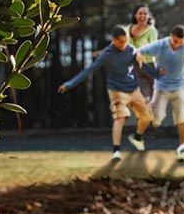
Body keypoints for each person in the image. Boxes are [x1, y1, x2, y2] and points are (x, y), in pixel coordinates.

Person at [59, 26, 153, 162]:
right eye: (120, 42)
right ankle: (116, 151)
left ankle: (137, 137)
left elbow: (137, 60)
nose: (123, 45)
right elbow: (89, 69)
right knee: (120, 118)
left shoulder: (130, 49)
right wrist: (70, 84)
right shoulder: (106, 55)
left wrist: (139, 58)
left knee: (146, 118)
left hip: (132, 88)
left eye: (125, 41)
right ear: (114, 40)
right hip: (116, 90)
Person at [132, 25, 184, 158]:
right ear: (171, 37)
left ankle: (182, 147)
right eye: (175, 41)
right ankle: (137, 136)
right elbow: (138, 51)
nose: (177, 45)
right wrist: (139, 56)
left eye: (180, 42)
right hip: (161, 87)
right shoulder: (160, 45)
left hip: (179, 86)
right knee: (156, 120)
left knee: (182, 117)